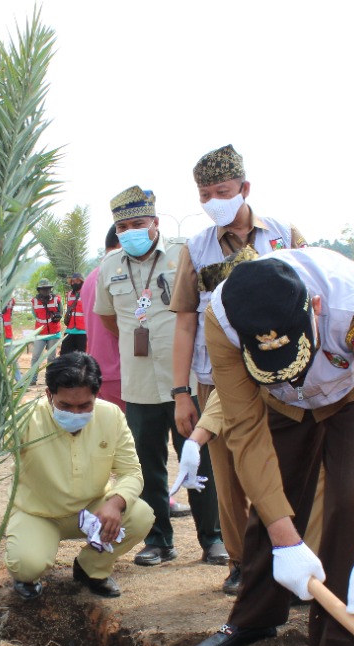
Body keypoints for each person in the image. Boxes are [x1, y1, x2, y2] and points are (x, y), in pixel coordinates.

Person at [190, 248, 354, 646]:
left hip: (350, 395)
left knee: (351, 499)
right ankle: (253, 619)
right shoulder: (222, 320)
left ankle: (340, 643)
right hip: (280, 402)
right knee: (273, 500)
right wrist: (286, 538)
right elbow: (246, 433)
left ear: (314, 308)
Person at [171, 144, 307, 594]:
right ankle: (240, 561)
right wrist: (181, 392)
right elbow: (186, 321)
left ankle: (294, 555)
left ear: (244, 188)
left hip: (284, 377)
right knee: (229, 481)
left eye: (222, 191)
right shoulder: (196, 247)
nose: (213, 201)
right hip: (218, 381)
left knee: (287, 469)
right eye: (204, 195)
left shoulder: (284, 236)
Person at [93, 186, 225, 568]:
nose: (130, 232)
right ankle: (158, 540)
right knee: (146, 465)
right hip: (139, 384)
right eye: (123, 226)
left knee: (197, 459)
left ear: (155, 221)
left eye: (138, 223)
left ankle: (212, 539)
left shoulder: (184, 253)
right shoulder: (110, 267)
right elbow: (108, 318)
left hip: (184, 379)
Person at [5, 353, 154, 600]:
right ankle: (28, 577)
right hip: (38, 513)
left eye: (85, 406)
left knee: (140, 516)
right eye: (65, 406)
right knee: (26, 565)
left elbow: (131, 472)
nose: (75, 413)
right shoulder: (25, 418)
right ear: (49, 395)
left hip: (92, 512)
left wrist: (115, 504)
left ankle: (90, 568)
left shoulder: (111, 416)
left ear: (95, 396)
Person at [84, 226, 124, 410]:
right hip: (120, 370)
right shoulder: (118, 275)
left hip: (98, 367)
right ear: (120, 244)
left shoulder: (92, 276)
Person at [30, 280, 64, 378]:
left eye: (47, 289)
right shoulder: (34, 301)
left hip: (54, 333)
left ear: (50, 289)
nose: (45, 291)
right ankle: (32, 379)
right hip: (40, 333)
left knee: (51, 357)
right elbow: (34, 315)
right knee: (35, 356)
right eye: (43, 289)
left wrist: (57, 317)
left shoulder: (56, 300)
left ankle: (50, 379)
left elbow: (61, 313)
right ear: (39, 290)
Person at [60, 273, 88, 354]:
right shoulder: (69, 294)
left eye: (77, 281)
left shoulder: (87, 293)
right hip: (69, 330)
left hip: (83, 331)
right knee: (64, 356)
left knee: (82, 358)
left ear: (82, 282)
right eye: (72, 281)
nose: (74, 283)